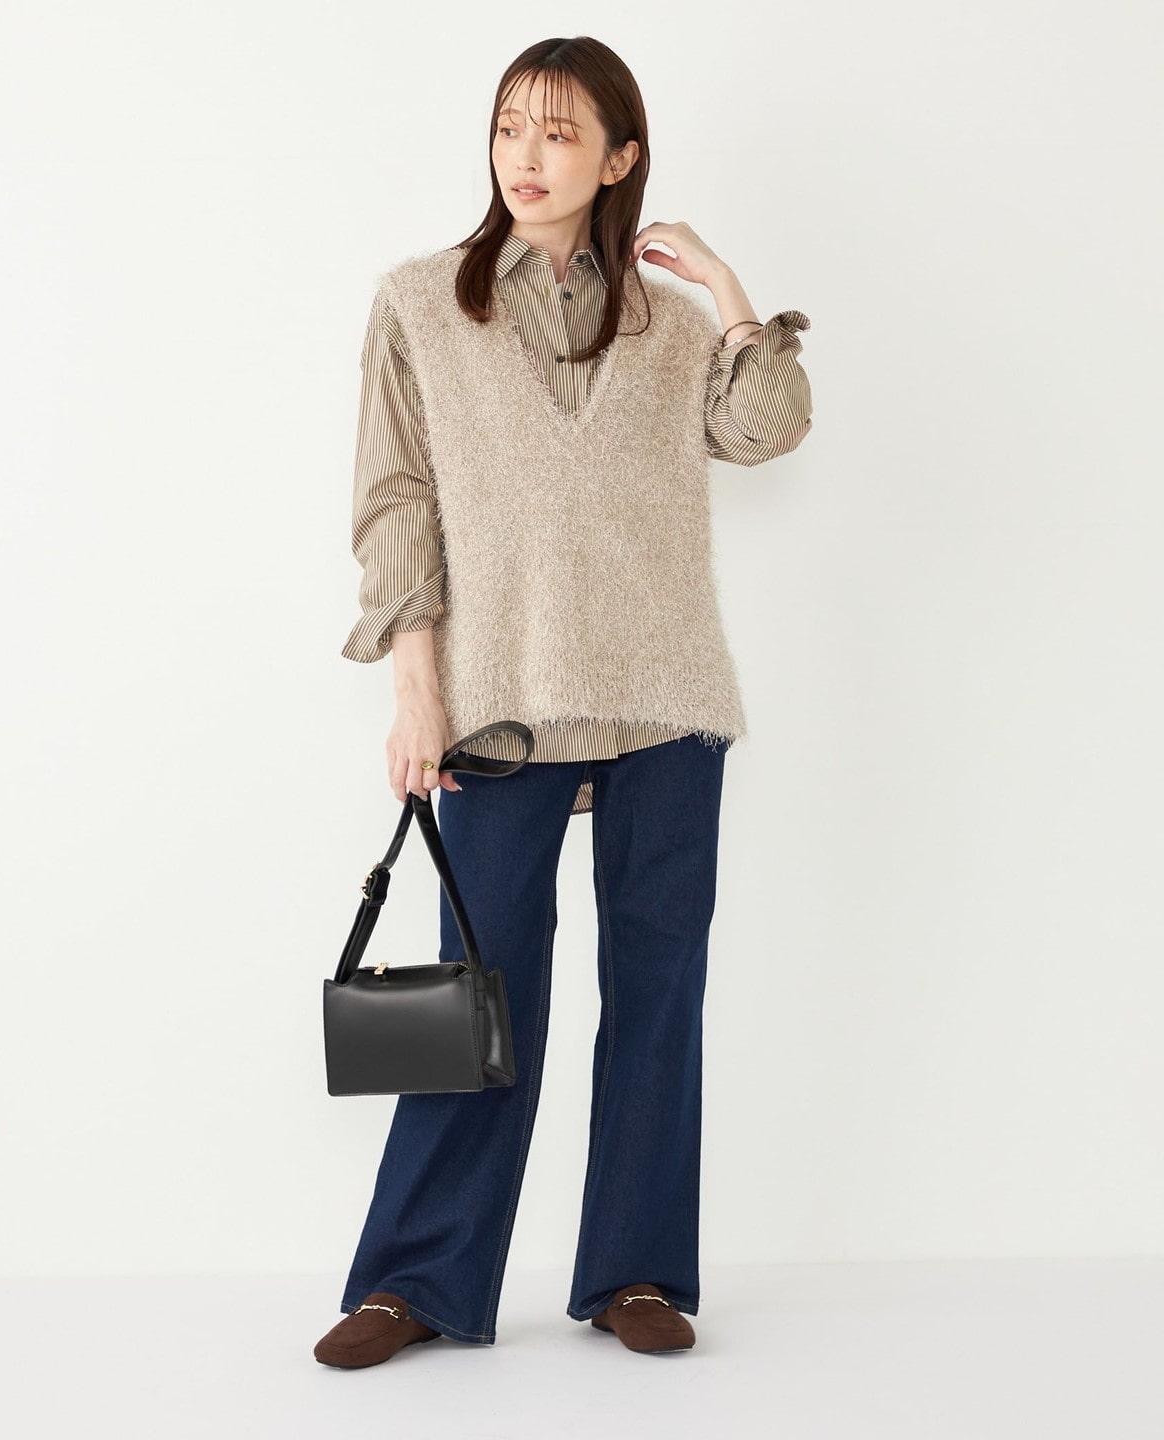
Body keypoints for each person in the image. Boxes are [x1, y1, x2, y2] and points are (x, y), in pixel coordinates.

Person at [314, 34, 813, 1369]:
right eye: (509, 128)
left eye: (558, 132)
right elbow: (395, 507)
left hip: (667, 699)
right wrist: (416, 692)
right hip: (499, 707)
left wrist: (725, 287)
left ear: (619, 156)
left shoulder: (671, 325)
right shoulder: (422, 303)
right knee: (483, 996)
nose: (525, 157)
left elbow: (767, 427)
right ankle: (416, 1280)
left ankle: (638, 1271)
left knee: (658, 991)